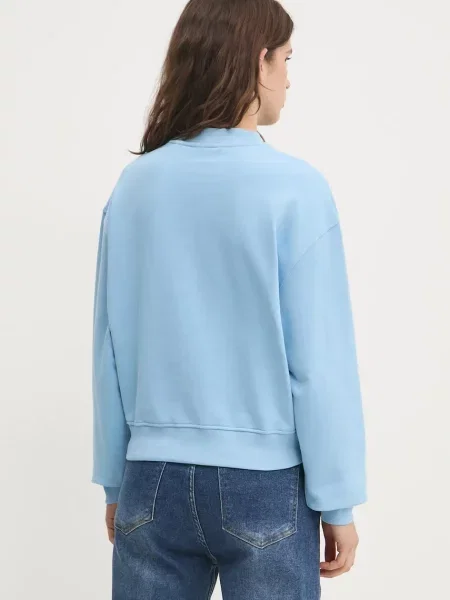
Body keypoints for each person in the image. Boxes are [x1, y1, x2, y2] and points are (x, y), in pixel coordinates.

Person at [91, 0, 367, 598]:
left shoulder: (135, 186)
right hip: (264, 485)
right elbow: (319, 362)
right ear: (257, 61)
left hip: (151, 480)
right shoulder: (295, 188)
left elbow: (109, 347)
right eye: (286, 59)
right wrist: (338, 501)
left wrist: (116, 481)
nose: (289, 79)